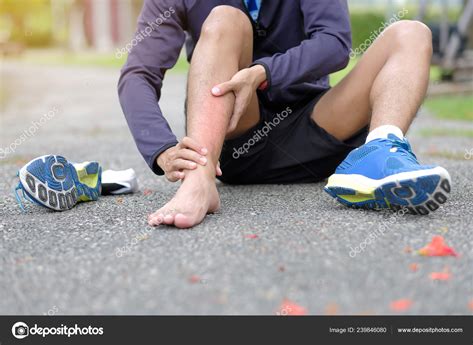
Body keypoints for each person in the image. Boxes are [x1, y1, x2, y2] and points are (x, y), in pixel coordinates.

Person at [118, 0, 451, 228]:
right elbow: (138, 75)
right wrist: (161, 149)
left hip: (320, 129)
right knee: (224, 18)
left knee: (411, 33)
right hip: (233, 141)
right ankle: (199, 182)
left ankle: (379, 155)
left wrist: (264, 72)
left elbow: (334, 43)